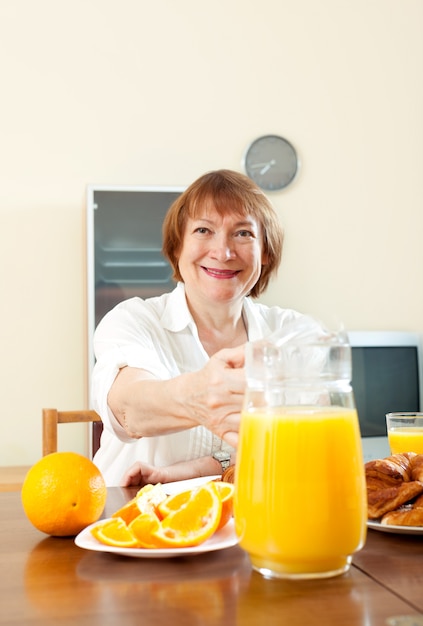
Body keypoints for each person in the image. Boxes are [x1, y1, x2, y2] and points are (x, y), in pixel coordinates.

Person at [91, 169, 308, 486]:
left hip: (250, 524)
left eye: (243, 233)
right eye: (204, 230)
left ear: (266, 252)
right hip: (134, 519)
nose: (223, 252)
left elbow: (296, 448)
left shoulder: (291, 333)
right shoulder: (132, 320)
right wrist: (202, 396)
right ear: (177, 247)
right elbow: (130, 410)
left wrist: (187, 470)